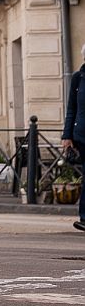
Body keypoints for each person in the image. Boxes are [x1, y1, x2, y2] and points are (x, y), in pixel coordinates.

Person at [64, 43, 85, 234]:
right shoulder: (78, 78)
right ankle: (84, 218)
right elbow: (71, 108)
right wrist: (67, 135)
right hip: (82, 136)